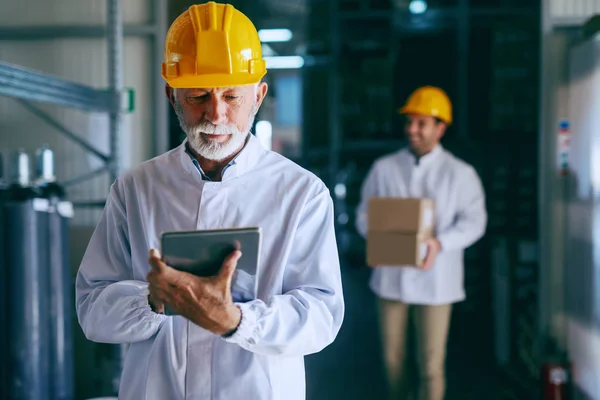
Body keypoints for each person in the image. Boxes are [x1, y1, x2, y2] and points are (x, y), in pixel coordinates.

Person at [75, 2, 345, 399]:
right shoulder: (135, 189)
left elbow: (321, 315)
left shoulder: (301, 193)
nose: (215, 114)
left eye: (232, 96)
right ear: (172, 95)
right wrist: (150, 301)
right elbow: (92, 308)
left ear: (259, 96)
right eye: (199, 95)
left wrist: (237, 321)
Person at [355, 86, 487, 400]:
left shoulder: (460, 174)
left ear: (441, 127)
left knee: (430, 363)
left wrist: (440, 243)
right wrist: (377, 240)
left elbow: (475, 222)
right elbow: (364, 214)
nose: (411, 130)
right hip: (391, 278)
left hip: (436, 279)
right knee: (392, 360)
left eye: (421, 123)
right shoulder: (384, 168)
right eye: (409, 122)